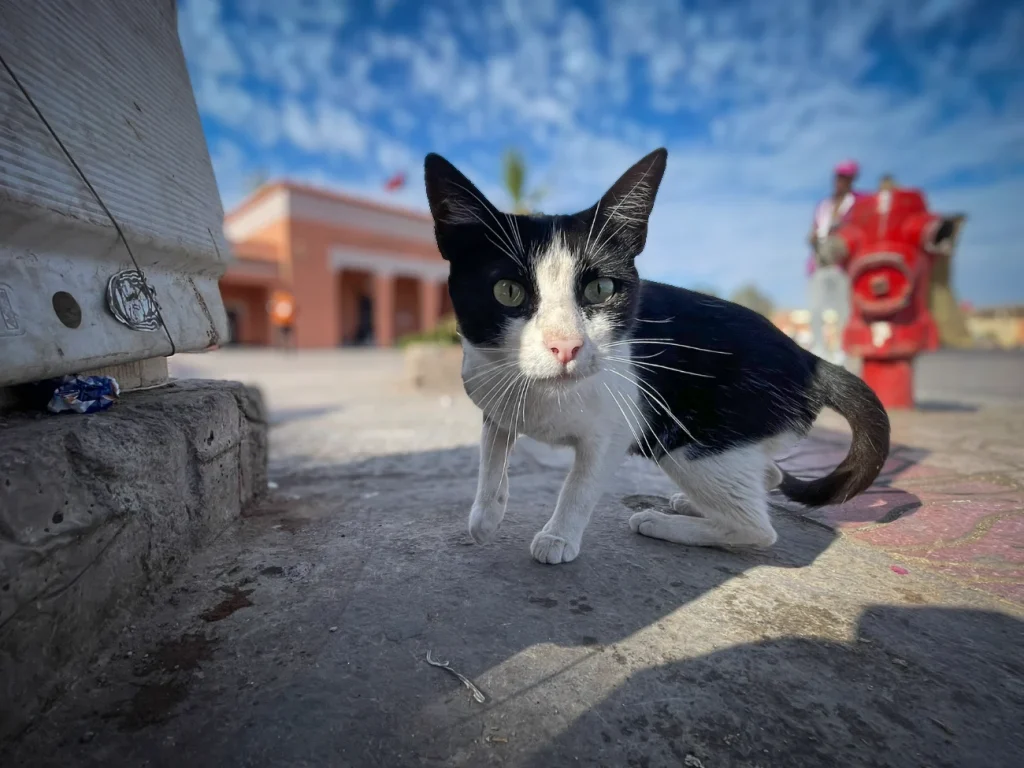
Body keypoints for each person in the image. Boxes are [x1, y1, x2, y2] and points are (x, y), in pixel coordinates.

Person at [806, 160, 862, 366]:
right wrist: (813, 236)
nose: (840, 181)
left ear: (852, 180)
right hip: (819, 263)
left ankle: (842, 350)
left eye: (845, 178)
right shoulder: (824, 205)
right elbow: (816, 227)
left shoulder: (858, 202)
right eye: (838, 177)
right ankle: (819, 350)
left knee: (843, 311)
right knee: (816, 309)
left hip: (843, 265)